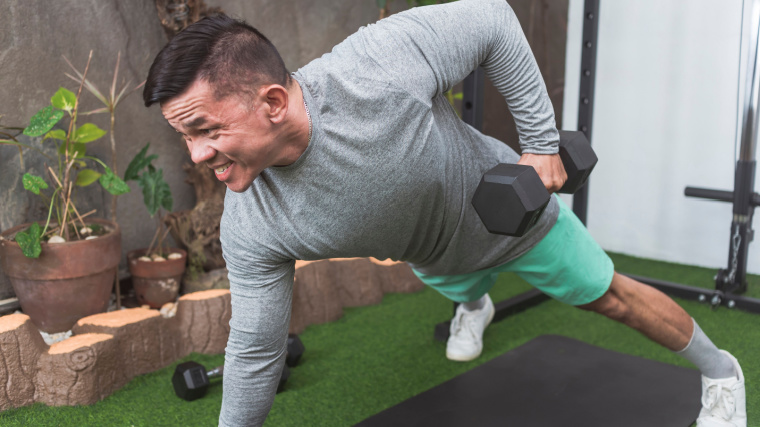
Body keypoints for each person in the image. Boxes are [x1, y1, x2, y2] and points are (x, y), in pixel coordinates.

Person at [142, 1, 746, 425]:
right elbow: (252, 353)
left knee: (609, 296)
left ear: (272, 102)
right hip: (433, 259)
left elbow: (492, 19)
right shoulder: (251, 223)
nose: (197, 156)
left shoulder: (376, 68)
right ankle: (474, 303)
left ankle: (722, 372)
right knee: (458, 283)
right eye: (184, 138)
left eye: (205, 130)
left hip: (514, 228)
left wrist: (539, 145)